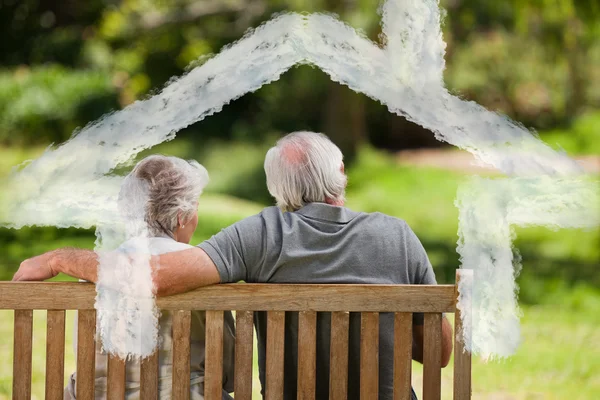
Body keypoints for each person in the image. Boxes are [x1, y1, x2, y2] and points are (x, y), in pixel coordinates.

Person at [15, 132, 453, 400]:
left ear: (276, 189)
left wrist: (59, 257)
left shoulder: (262, 233)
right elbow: (438, 355)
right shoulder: (398, 235)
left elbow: (152, 277)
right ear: (341, 171)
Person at [61, 155, 236, 399]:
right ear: (180, 217)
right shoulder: (204, 270)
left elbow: (85, 354)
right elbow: (227, 368)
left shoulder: (97, 270)